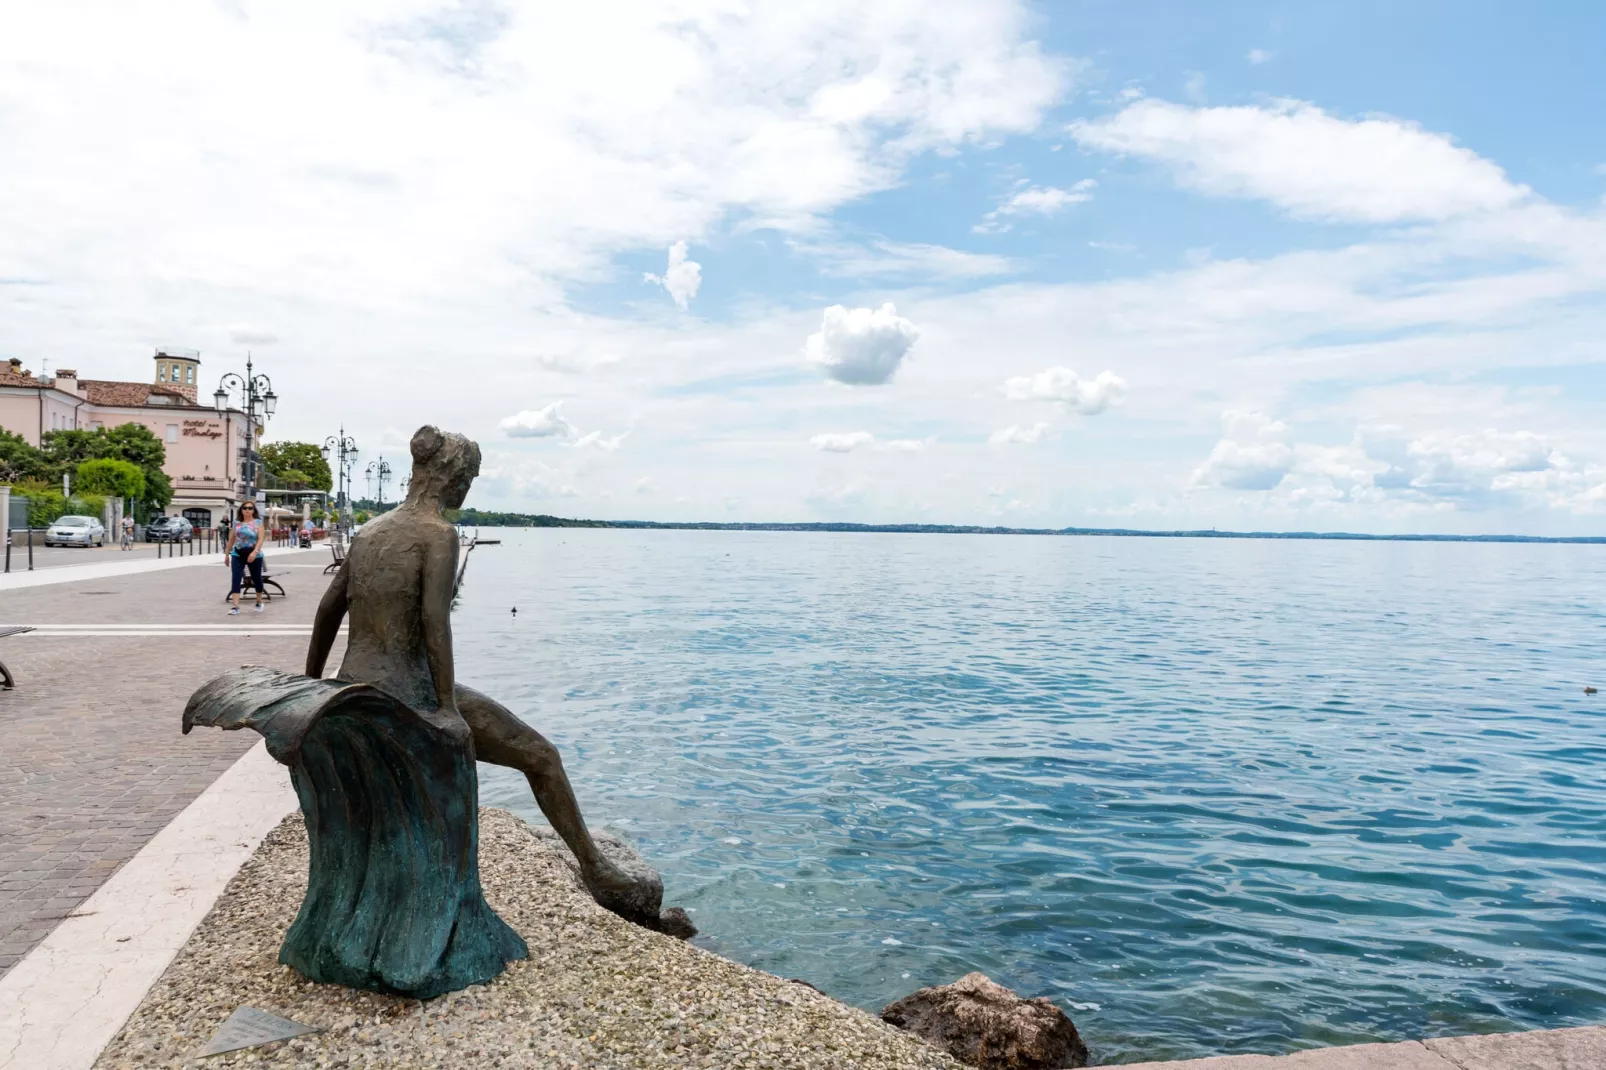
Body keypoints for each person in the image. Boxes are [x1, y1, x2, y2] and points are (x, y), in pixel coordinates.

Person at [305, 425, 662, 925]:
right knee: (542, 757)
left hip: (352, 687)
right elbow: (434, 623)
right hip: (406, 695)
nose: (468, 486)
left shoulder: (369, 532)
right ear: (452, 476)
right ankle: (596, 866)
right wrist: (446, 708)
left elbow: (327, 610)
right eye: (470, 476)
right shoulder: (438, 534)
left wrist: (313, 685)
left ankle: (592, 864)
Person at [225, 501, 266, 615]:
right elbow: (231, 539)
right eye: (245, 508)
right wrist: (227, 554)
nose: (247, 510)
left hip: (254, 554)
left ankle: (259, 601)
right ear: (241, 510)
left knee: (256, 578)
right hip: (238, 553)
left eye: (250, 508)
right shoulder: (236, 523)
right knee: (236, 578)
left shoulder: (258, 523)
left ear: (253, 510)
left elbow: (260, 539)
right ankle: (235, 607)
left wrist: (255, 552)